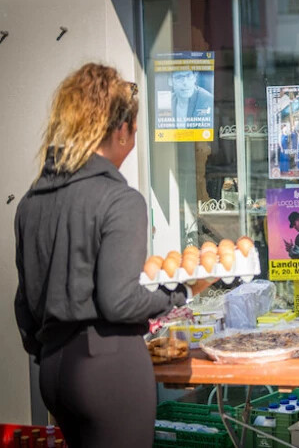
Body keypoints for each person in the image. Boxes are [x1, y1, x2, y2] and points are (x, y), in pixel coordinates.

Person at [14, 63, 213, 448]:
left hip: (54, 371)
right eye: (135, 130)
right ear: (120, 130)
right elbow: (120, 300)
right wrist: (183, 293)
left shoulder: (31, 200)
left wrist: (51, 351)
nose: (134, 140)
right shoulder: (119, 199)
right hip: (108, 367)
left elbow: (25, 305)